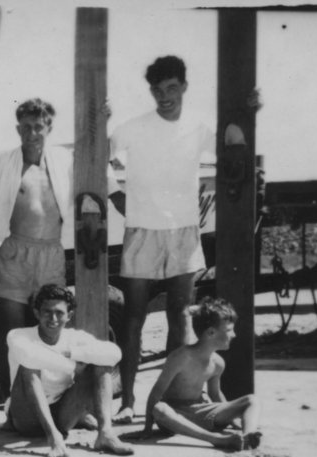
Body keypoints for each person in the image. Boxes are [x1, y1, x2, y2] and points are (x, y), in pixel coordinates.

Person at [110, 55, 261, 425]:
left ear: (184, 87)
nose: (165, 97)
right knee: (133, 317)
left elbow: (236, 143)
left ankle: (177, 398)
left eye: (172, 88)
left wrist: (249, 111)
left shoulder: (199, 128)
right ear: (151, 92)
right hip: (142, 232)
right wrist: (120, 201)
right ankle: (127, 400)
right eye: (158, 90)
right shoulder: (132, 128)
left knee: (180, 317)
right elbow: (99, 161)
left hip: (184, 231)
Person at [0, 98, 121, 399]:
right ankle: (12, 402)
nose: (32, 133)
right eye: (26, 127)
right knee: (12, 334)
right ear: (18, 129)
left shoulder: (64, 160)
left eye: (39, 127)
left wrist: (103, 123)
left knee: (51, 332)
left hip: (51, 254)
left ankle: (52, 398)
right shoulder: (5, 162)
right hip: (15, 252)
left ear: (49, 128)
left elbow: (97, 165)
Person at [6, 283, 134, 457]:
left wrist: (73, 353)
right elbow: (29, 356)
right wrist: (72, 366)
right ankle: (54, 439)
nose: (53, 318)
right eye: (47, 312)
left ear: (69, 316)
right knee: (28, 366)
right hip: (26, 417)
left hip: (63, 416)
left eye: (59, 313)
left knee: (101, 363)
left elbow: (114, 354)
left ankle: (105, 433)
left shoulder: (74, 337)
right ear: (36, 313)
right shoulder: (19, 335)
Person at [141, 298, 261, 450]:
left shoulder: (218, 363)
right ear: (211, 332)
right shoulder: (181, 357)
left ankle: (248, 434)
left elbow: (215, 395)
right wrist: (147, 427)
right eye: (230, 330)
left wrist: (231, 418)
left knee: (251, 400)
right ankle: (216, 440)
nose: (234, 335)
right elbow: (156, 393)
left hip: (201, 412)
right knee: (160, 409)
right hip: (175, 415)